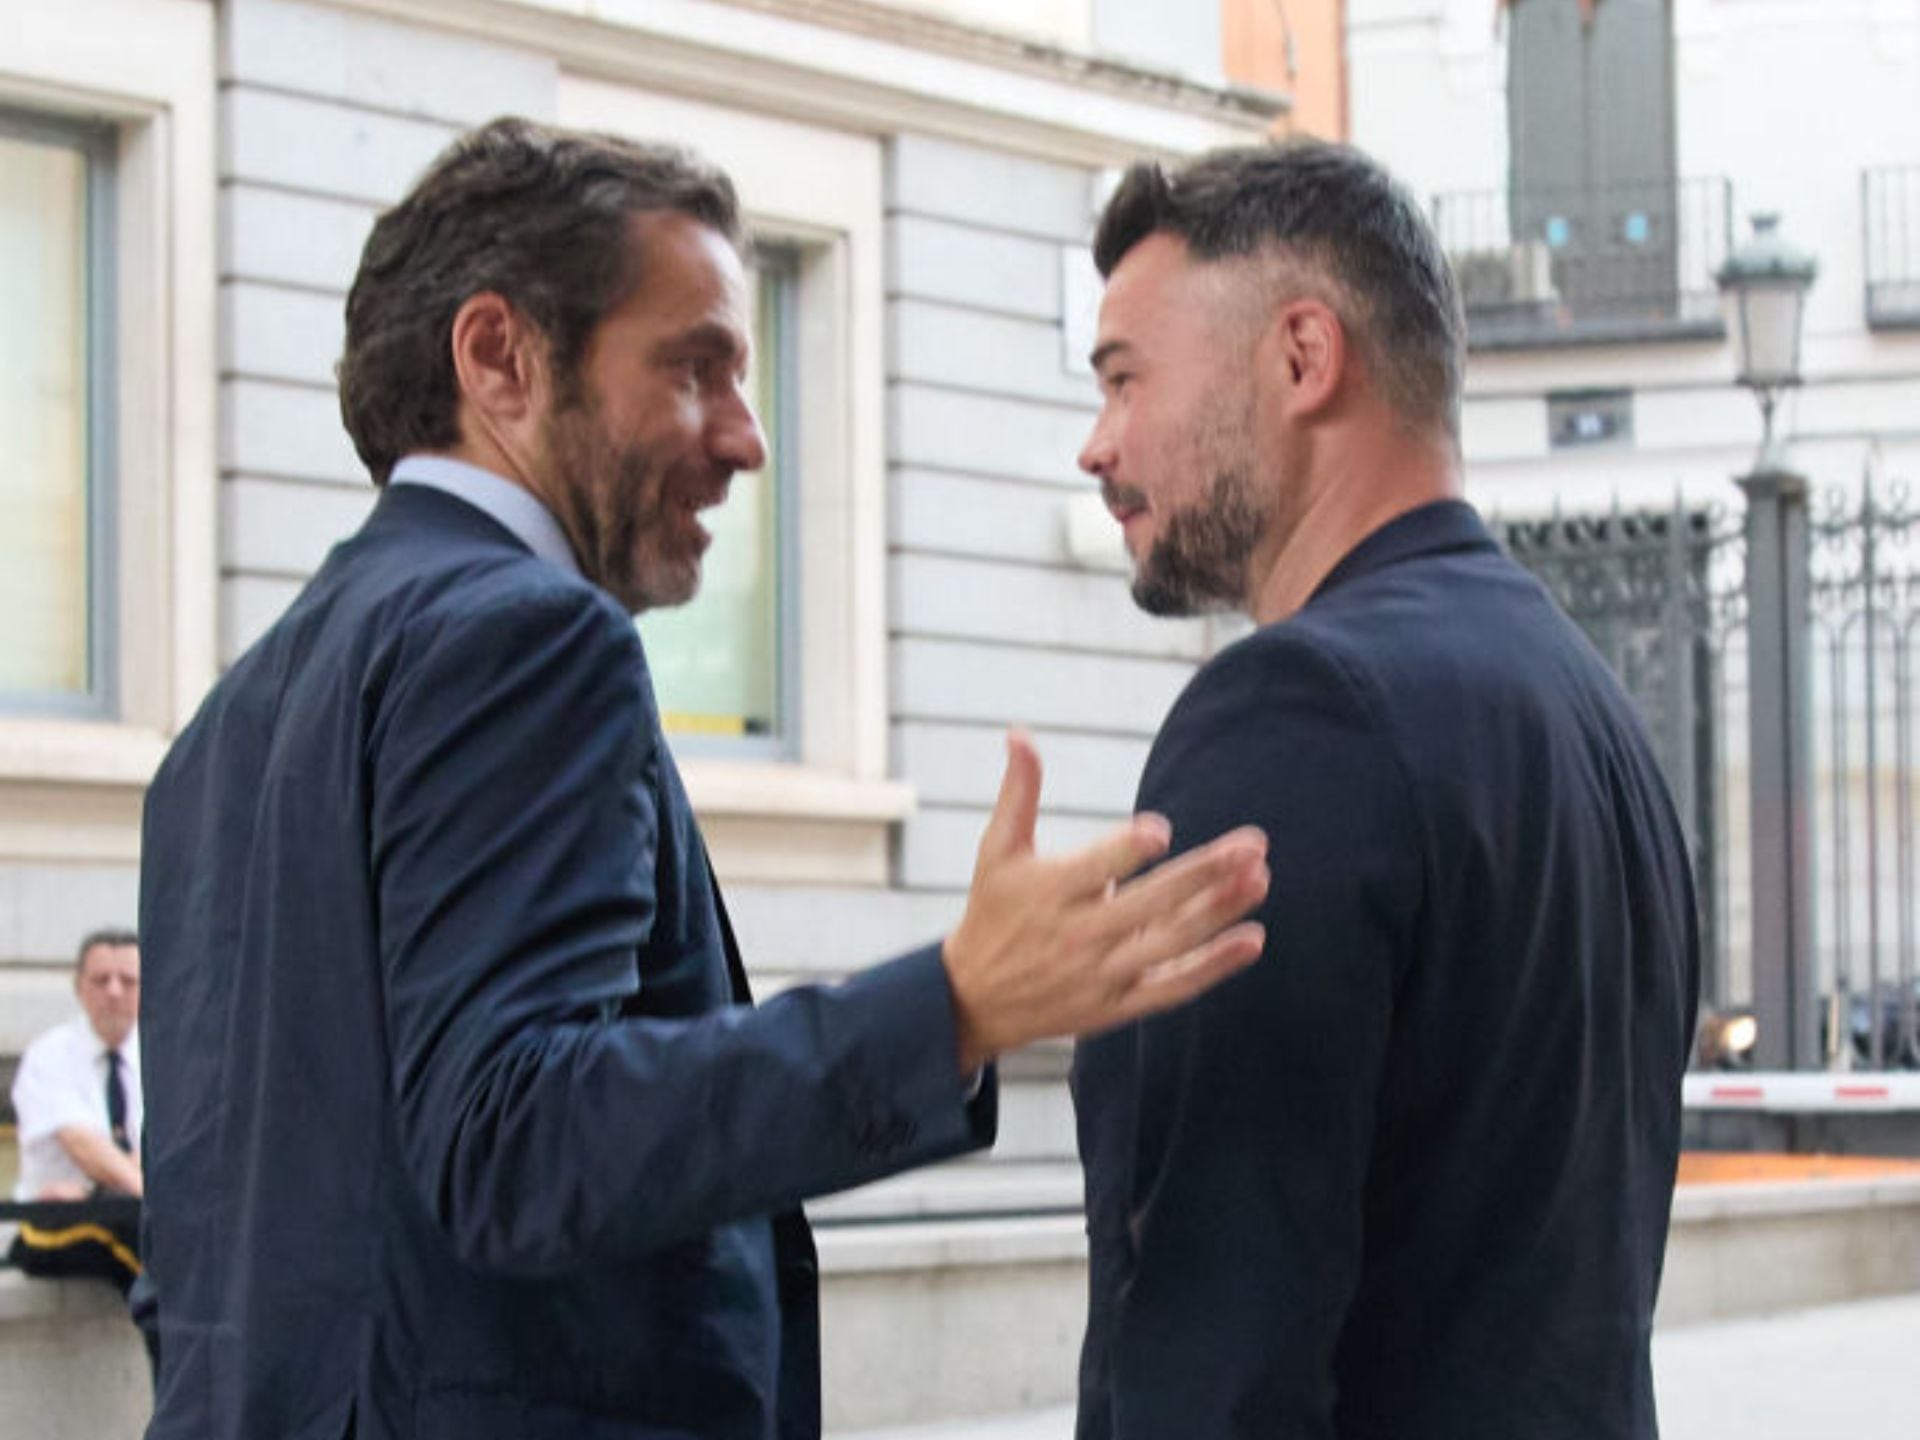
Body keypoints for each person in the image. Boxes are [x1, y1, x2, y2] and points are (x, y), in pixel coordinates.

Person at [136, 117, 1270, 1440]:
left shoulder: (226, 726)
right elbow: (515, 1138)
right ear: (498, 355)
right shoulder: (529, 635)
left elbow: (210, 1247)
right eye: (698, 369)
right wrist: (956, 1004)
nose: (746, 441)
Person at [1070, 140, 1700, 1439]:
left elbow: (1216, 1352)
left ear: (1303, 357)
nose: (1098, 445)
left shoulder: (1291, 715)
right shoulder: (1590, 707)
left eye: (1126, 379)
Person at [8, 927, 144, 1295]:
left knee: (142, 1237)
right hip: (51, 1225)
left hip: (127, 1216)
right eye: (101, 980)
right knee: (140, 1236)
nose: (114, 992)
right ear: (79, 986)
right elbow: (86, 1149)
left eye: (128, 981)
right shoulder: (49, 1055)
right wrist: (145, 1190)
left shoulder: (160, 1059)